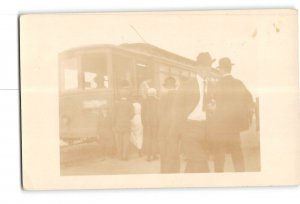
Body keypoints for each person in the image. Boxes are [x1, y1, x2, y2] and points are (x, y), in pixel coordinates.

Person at [211, 57, 253, 172]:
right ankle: (241, 176)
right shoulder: (238, 83)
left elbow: (213, 105)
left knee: (219, 154)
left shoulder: (218, 84)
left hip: (221, 126)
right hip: (235, 127)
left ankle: (219, 178)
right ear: (230, 68)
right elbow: (249, 99)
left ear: (222, 69)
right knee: (237, 152)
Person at [179, 52, 216, 173]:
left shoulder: (212, 86)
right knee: (200, 163)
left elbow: (214, 106)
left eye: (209, 66)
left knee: (194, 164)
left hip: (206, 128)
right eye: (204, 66)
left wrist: (213, 109)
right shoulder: (186, 85)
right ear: (197, 67)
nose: (207, 69)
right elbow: (178, 109)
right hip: (190, 128)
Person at [157, 76, 182, 173]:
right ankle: (175, 173)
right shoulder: (179, 97)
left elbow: (159, 115)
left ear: (166, 86)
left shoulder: (162, 98)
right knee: (175, 153)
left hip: (164, 130)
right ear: (174, 86)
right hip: (175, 130)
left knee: (164, 154)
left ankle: (164, 173)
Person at [113, 80, 134, 161]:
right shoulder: (129, 104)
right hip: (127, 125)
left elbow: (113, 116)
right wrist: (128, 119)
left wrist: (113, 124)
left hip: (118, 125)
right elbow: (132, 114)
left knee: (118, 142)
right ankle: (125, 156)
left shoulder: (116, 104)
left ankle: (120, 156)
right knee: (126, 141)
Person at [141, 88, 159, 161]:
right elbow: (159, 113)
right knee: (154, 139)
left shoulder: (144, 101)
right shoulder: (157, 101)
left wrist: (143, 123)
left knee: (148, 139)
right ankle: (154, 155)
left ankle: (148, 156)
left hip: (147, 124)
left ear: (148, 93)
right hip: (155, 123)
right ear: (154, 93)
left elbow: (142, 113)